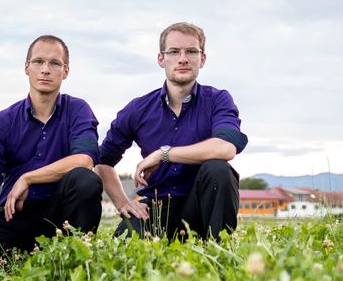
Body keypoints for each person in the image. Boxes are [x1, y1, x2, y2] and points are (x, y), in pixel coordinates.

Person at [97, 22, 248, 240]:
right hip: (157, 208)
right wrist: (123, 203)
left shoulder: (218, 100)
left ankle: (217, 246)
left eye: (191, 51)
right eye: (174, 51)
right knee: (125, 245)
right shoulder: (138, 109)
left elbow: (225, 148)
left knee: (218, 169)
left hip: (200, 208)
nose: (183, 59)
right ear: (161, 59)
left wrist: (163, 154)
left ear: (202, 59)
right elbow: (103, 161)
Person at [0, 35, 102, 253]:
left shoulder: (77, 110)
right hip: (15, 214)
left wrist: (28, 178)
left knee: (85, 180)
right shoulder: (3, 121)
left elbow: (84, 160)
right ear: (27, 67)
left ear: (65, 71)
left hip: (60, 216)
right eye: (38, 62)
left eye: (54, 63)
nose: (45, 70)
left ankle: (76, 253)